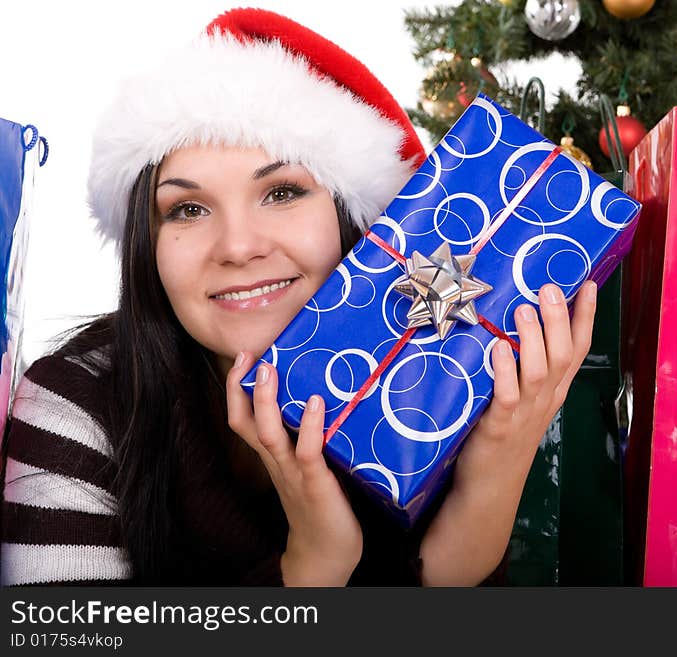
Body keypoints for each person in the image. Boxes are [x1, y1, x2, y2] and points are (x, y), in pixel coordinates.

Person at [0, 7, 597, 586]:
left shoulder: (441, 380)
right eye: (187, 208)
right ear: (146, 245)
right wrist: (311, 567)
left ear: (355, 221)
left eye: (282, 193)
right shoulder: (77, 405)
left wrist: (493, 471)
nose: (237, 246)